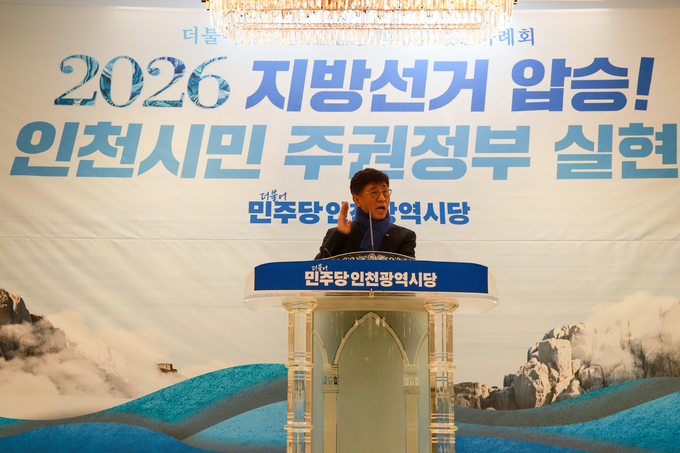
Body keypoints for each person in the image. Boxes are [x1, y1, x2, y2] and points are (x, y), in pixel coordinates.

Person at [315, 168, 416, 259]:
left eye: (385, 191)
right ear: (357, 200)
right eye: (374, 193)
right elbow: (316, 268)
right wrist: (339, 235)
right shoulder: (338, 234)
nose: (382, 198)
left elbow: (410, 270)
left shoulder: (404, 237)